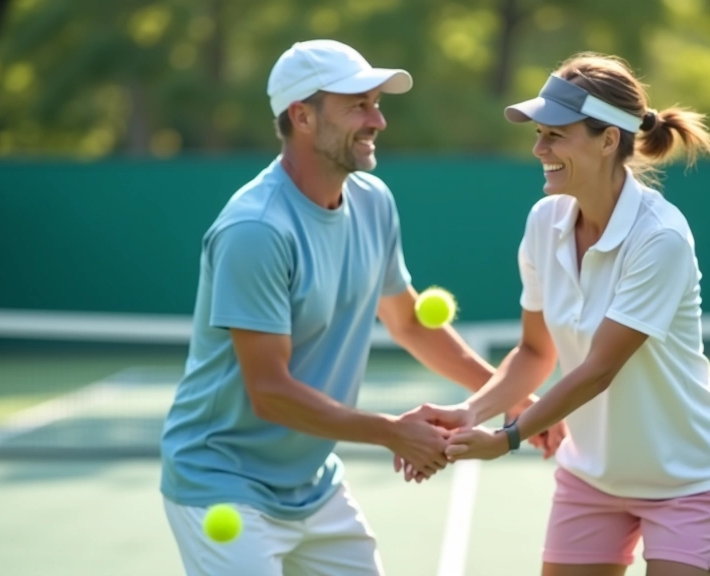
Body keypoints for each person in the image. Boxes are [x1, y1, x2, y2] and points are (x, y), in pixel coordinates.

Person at [158, 39, 562, 576]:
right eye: (358, 105)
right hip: (223, 484)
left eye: (376, 103)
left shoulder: (373, 200)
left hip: (313, 483)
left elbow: (410, 321)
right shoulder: (255, 231)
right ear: (301, 116)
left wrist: (511, 399)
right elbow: (270, 393)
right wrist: (393, 431)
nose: (378, 120)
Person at [425, 52, 710, 576]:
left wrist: (506, 439)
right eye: (539, 134)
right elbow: (534, 351)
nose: (538, 148)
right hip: (591, 477)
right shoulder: (543, 220)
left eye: (555, 134)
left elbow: (597, 370)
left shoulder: (660, 239)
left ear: (608, 139)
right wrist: (472, 411)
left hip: (685, 479)